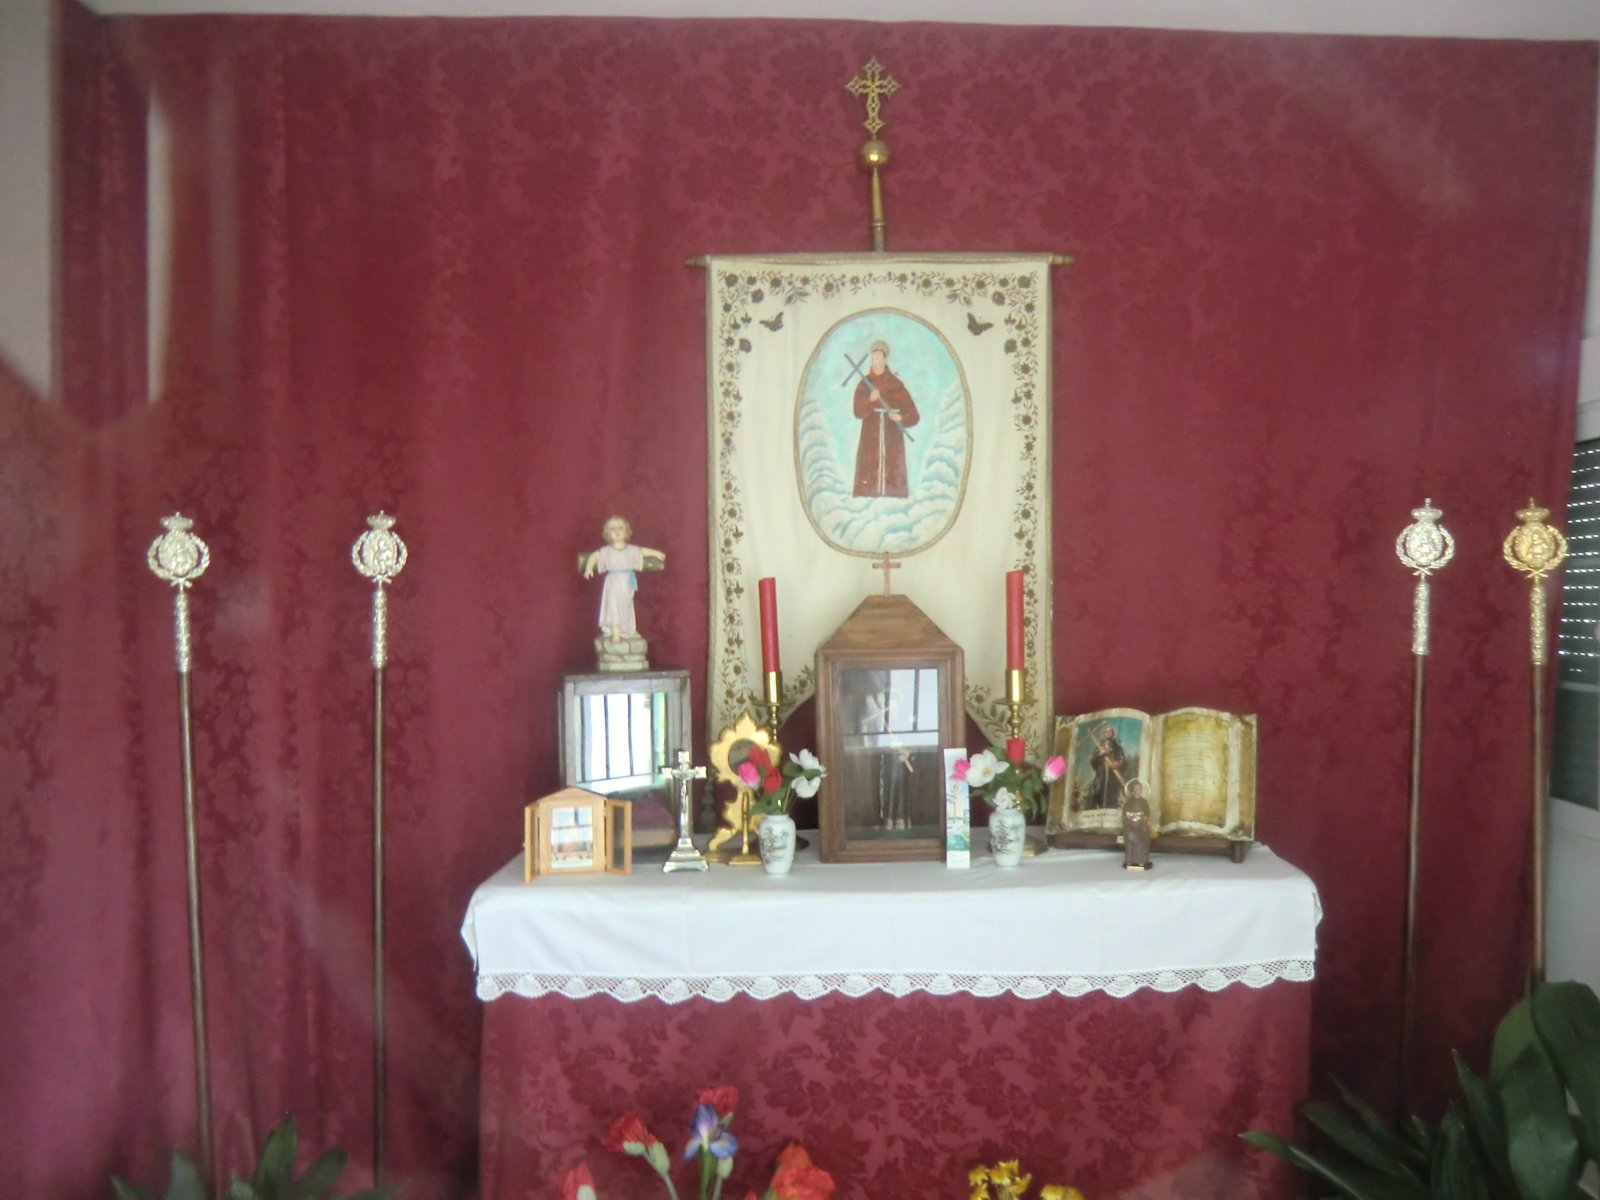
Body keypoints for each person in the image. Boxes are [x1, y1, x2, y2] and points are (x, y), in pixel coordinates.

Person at [851, 340, 920, 498]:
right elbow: (857, 412)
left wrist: (900, 417)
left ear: (884, 359)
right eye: (873, 359)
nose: (875, 362)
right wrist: (869, 399)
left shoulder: (896, 385)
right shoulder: (864, 384)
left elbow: (914, 415)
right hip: (870, 437)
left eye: (878, 359)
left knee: (893, 475)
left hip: (892, 437)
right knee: (868, 473)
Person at [582, 516, 665, 641]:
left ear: (626, 532)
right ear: (607, 534)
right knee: (613, 606)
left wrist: (656, 553)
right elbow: (594, 556)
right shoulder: (606, 551)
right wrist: (589, 568)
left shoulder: (631, 550)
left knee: (626, 606)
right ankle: (615, 631)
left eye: (620, 528)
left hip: (627, 582)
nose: (616, 531)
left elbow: (642, 551)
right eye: (612, 529)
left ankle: (625, 629)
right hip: (613, 582)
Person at [1088, 722, 1128, 810]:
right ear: (1104, 734)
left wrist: (1118, 763)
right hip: (1101, 775)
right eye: (1106, 732)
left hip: (1113, 775)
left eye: (1110, 731)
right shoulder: (1099, 746)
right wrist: (1099, 755)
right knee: (1099, 792)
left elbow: (1123, 760)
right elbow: (1092, 761)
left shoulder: (1118, 747)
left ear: (1113, 733)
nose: (1108, 733)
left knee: (1113, 794)